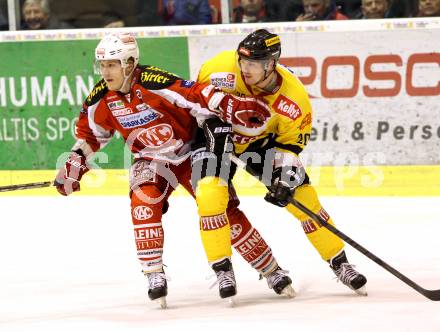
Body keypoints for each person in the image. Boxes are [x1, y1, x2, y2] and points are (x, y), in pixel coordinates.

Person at [54, 32, 294, 307]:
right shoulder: (101, 98)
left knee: (221, 207)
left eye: (112, 64)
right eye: (102, 65)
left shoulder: (156, 82)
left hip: (191, 150)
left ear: (130, 63)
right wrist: (75, 161)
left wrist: (231, 105)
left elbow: (197, 95)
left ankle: (271, 269)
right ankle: (154, 274)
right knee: (142, 203)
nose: (105, 71)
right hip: (150, 160)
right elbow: (91, 136)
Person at [196, 29, 368, 296]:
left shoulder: (293, 98)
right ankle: (222, 270)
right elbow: (196, 102)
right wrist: (211, 125)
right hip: (217, 139)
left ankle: (340, 263)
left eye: (253, 63)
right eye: (243, 62)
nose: (245, 69)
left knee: (304, 199)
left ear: (271, 64)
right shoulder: (219, 67)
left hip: (260, 145)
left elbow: (290, 144)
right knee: (209, 195)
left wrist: (284, 178)